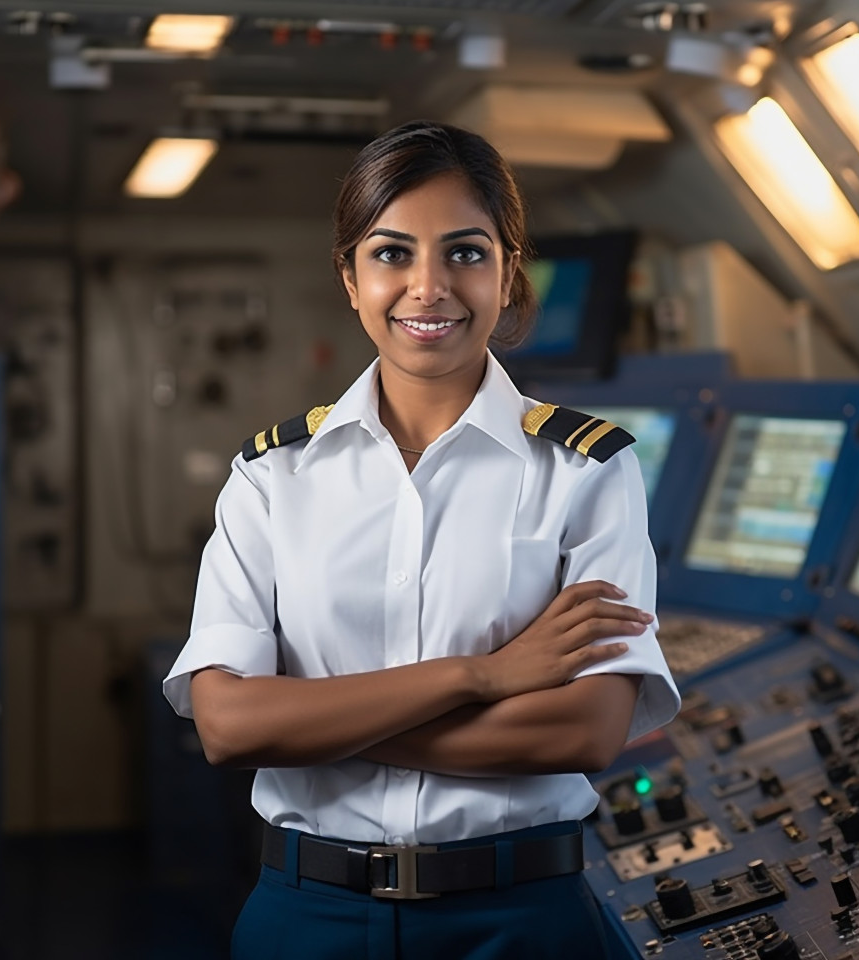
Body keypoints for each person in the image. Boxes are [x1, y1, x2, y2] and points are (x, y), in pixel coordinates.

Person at [163, 119, 680, 960]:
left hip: (523, 919)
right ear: (349, 276)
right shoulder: (271, 479)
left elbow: (584, 731)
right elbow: (227, 725)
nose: (429, 286)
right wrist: (483, 676)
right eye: (392, 253)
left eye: (467, 253)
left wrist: (315, 723)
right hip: (309, 916)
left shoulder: (588, 473)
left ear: (510, 270)